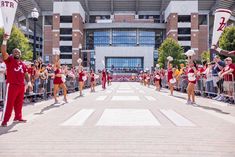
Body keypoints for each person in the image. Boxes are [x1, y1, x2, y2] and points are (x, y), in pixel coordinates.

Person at [1, 34, 32, 127]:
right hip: (12, 85)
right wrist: (5, 40)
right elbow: (3, 51)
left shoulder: (22, 64)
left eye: (18, 52)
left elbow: (26, 74)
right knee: (9, 103)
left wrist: (29, 82)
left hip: (21, 86)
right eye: (15, 52)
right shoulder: (9, 60)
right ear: (12, 53)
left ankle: (18, 117)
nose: (17, 53)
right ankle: (5, 120)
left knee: (19, 103)